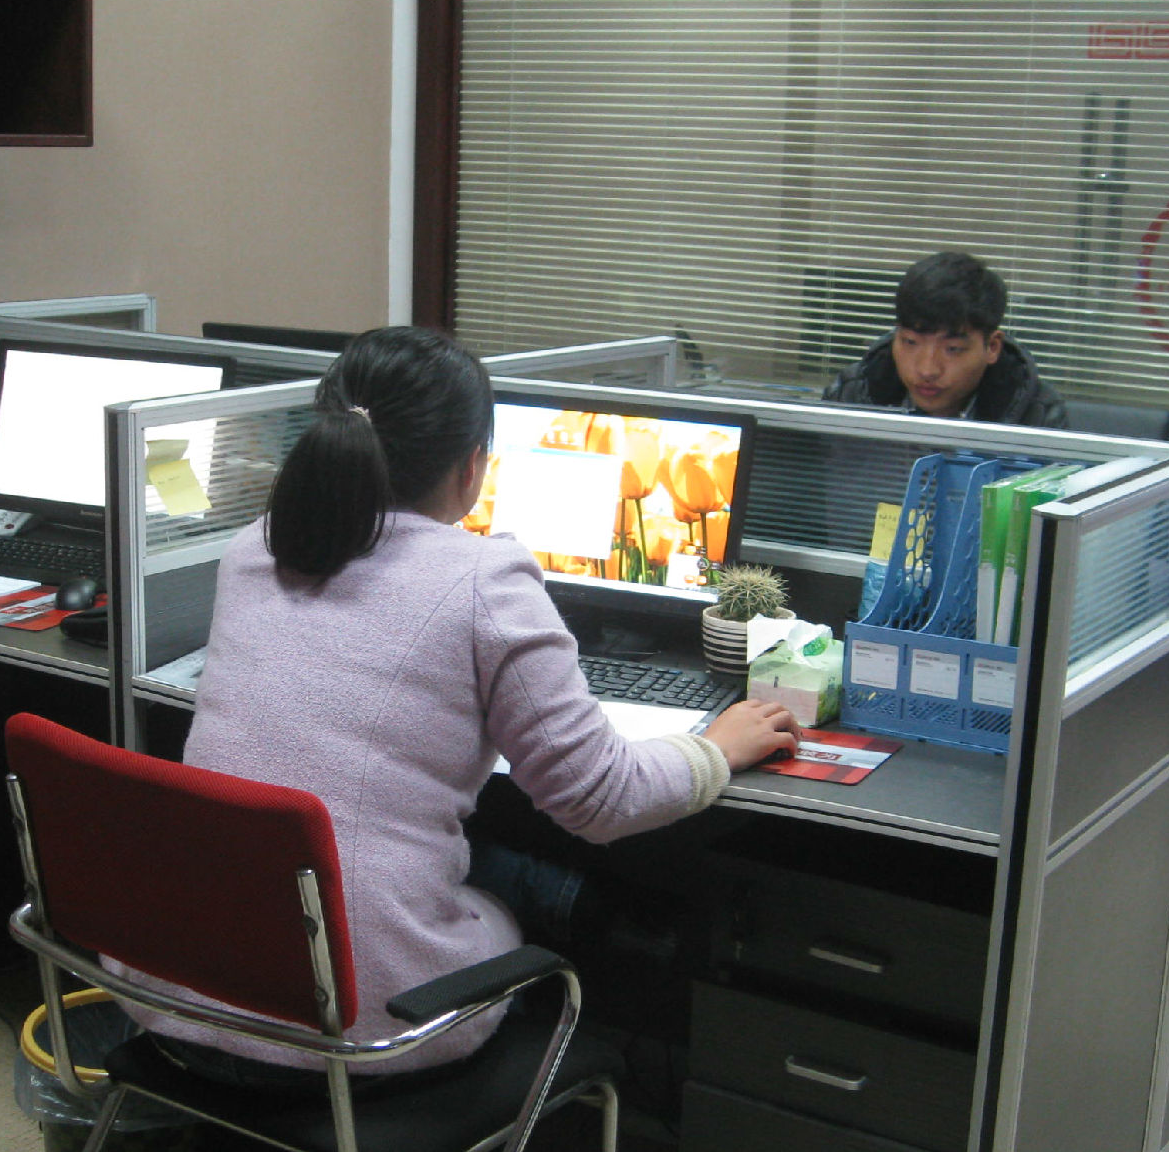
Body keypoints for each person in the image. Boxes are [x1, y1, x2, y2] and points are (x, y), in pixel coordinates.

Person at [123, 326, 799, 1089]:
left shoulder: (258, 545)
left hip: (182, 981)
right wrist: (717, 748)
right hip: (359, 1023)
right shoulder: (483, 580)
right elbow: (601, 798)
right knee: (532, 900)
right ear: (473, 466)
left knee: (474, 848)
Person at [824, 251, 1069, 428]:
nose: (927, 370)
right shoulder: (850, 395)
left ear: (992, 347)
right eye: (910, 342)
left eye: (953, 349)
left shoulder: (1037, 415)